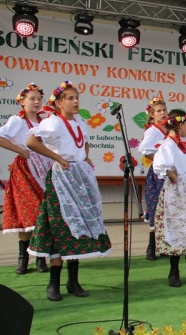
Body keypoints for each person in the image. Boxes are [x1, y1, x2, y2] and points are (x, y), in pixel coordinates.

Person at [26, 81, 111, 301]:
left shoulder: (79, 121)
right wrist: (58, 158)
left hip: (79, 177)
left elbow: (85, 142)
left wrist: (85, 158)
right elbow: (31, 141)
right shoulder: (53, 122)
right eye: (70, 98)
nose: (75, 101)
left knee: (78, 227)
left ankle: (73, 281)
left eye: (76, 98)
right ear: (59, 103)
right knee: (60, 227)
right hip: (61, 179)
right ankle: (53, 283)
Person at [0, 82, 53, 274]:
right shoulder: (17, 121)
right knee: (27, 212)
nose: (36, 102)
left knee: (43, 213)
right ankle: (23, 259)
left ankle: (40, 258)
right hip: (25, 170)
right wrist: (21, 151)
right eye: (32, 98)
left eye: (39, 99)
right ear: (22, 101)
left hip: (44, 169)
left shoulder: (45, 122)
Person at [153, 110, 186, 287]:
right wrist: (172, 175)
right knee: (175, 228)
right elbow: (159, 165)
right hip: (175, 192)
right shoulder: (168, 144)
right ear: (180, 125)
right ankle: (174, 271)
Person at [137, 97, 168, 261]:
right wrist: (159, 160)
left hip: (168, 173)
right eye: (158, 111)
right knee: (156, 207)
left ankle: (164, 246)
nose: (162, 113)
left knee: (167, 209)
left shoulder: (168, 129)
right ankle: (151, 247)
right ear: (152, 115)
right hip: (158, 175)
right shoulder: (153, 131)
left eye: (164, 110)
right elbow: (145, 150)